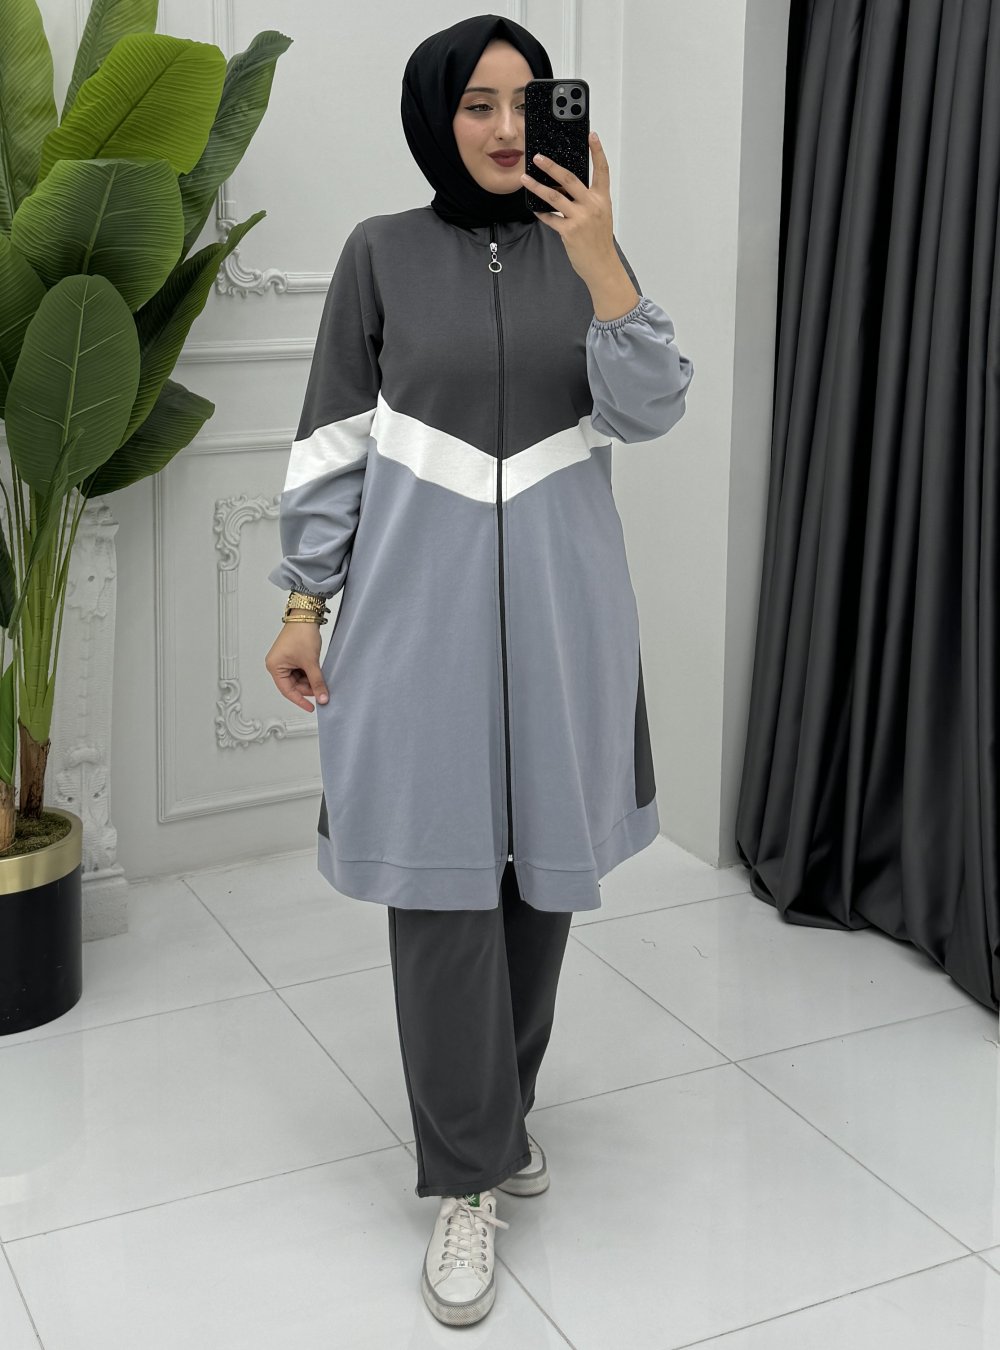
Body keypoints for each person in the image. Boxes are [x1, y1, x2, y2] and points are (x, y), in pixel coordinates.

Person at [264, 12, 693, 1329]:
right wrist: (303, 602)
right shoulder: (380, 254)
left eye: (527, 102)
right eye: (479, 105)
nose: (509, 128)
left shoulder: (586, 249)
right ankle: (465, 1175)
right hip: (417, 623)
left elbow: (651, 406)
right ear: (435, 116)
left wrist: (602, 256)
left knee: (542, 881)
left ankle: (494, 1120)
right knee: (443, 889)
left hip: (565, 619)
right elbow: (333, 435)